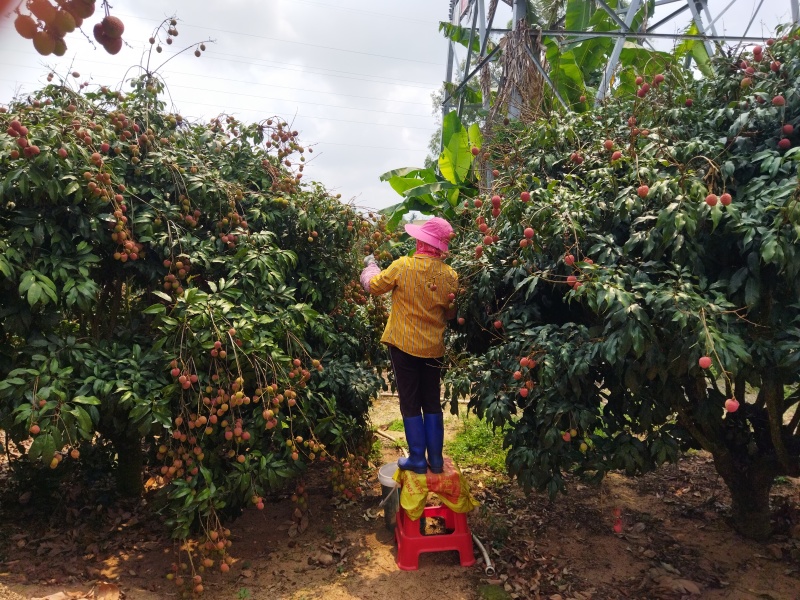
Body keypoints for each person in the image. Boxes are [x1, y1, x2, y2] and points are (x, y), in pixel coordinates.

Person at [360, 217, 458, 475]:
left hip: (403, 346)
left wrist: (370, 266)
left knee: (410, 401)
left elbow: (373, 286)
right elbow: (450, 314)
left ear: (421, 241)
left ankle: (416, 458)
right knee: (431, 401)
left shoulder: (403, 266)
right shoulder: (450, 276)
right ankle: (435, 460)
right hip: (433, 348)